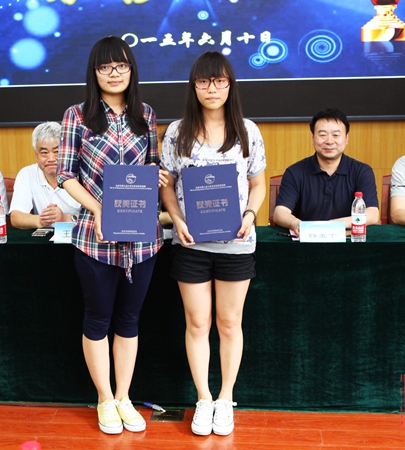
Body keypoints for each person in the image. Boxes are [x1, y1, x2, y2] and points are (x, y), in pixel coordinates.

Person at [57, 36, 165, 435]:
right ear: (95, 72)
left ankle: (123, 397)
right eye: (105, 67)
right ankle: (104, 398)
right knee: (98, 318)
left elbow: (153, 166)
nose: (114, 73)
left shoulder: (146, 114)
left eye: (121, 65)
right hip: (95, 237)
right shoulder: (77, 115)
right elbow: (65, 175)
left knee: (130, 319)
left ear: (131, 70)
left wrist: (158, 176)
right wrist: (100, 208)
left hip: (143, 238)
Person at [160, 51, 266, 437]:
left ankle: (225, 398)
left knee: (229, 323)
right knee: (197, 323)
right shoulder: (177, 131)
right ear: (194, 86)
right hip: (191, 244)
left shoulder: (247, 130)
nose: (212, 88)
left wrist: (250, 215)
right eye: (204, 81)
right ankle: (203, 398)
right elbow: (166, 184)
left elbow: (257, 183)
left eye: (219, 81)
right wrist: (176, 219)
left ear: (230, 85)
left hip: (236, 243)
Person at [273, 108, 379, 236]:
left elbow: (372, 214)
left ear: (346, 138)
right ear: (313, 138)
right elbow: (280, 212)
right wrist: (295, 223)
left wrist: (332, 226)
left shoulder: (362, 171)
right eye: (322, 135)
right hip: (307, 240)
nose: (329, 141)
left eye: (336, 135)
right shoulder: (295, 172)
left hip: (348, 240)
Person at [9, 122, 81, 229]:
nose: (51, 159)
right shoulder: (27, 174)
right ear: (36, 155)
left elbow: (99, 215)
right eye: (44, 152)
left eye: (57, 151)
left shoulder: (83, 174)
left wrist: (65, 218)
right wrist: (41, 220)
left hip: (76, 235)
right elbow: (16, 217)